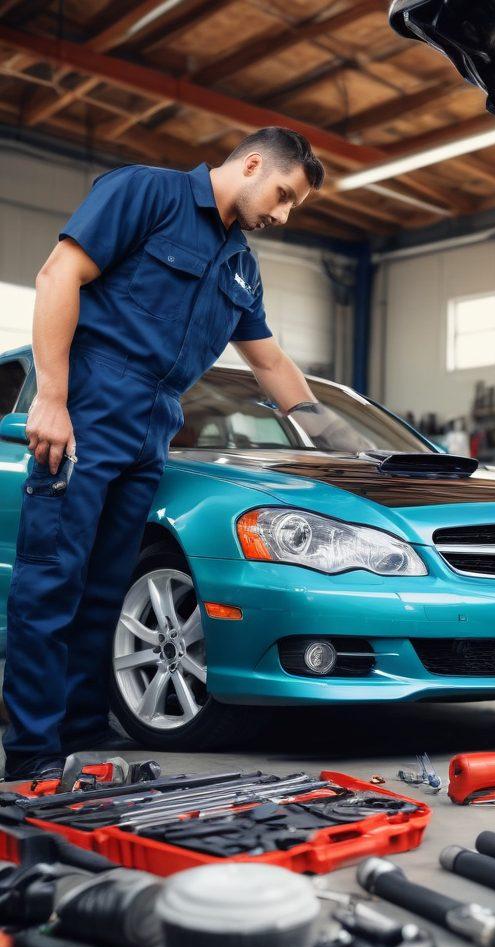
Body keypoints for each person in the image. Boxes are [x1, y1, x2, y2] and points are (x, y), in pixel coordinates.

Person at [2, 126, 348, 780]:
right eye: (281, 195)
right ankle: (31, 758)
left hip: (155, 422)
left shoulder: (242, 265)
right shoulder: (147, 194)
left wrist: (325, 429)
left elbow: (268, 359)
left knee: (104, 590)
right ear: (250, 165)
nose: (281, 214)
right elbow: (59, 276)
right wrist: (51, 397)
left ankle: (82, 738)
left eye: (292, 207)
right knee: (52, 583)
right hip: (90, 404)